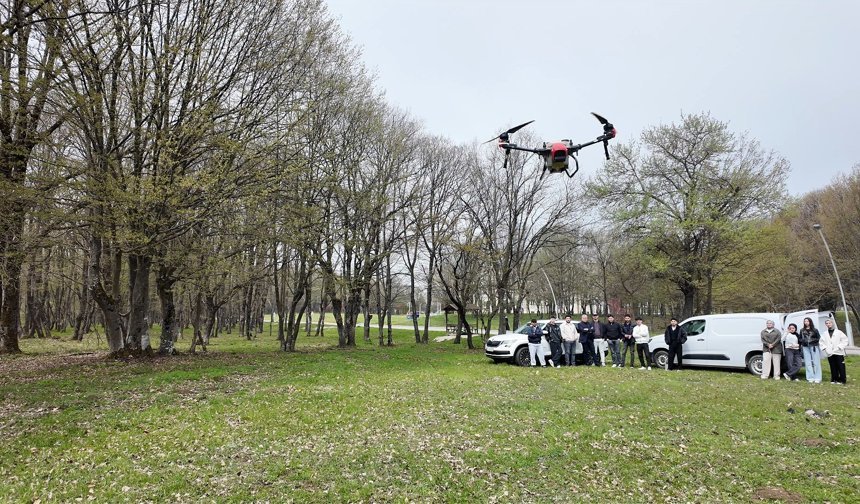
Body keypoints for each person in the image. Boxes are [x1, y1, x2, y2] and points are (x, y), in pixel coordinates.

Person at [822, 319, 848, 384]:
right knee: (833, 366)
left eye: (829, 323)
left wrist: (839, 347)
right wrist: (825, 348)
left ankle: (842, 380)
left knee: (840, 366)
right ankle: (834, 379)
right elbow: (821, 342)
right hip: (830, 353)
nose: (828, 324)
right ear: (826, 325)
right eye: (827, 323)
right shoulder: (824, 333)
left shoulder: (839, 332)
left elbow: (845, 340)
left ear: (832, 323)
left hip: (838, 352)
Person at [799, 317, 822, 383]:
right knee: (808, 362)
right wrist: (803, 341)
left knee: (816, 362)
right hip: (805, 347)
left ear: (810, 322)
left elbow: (819, 338)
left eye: (807, 321)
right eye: (805, 321)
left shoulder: (815, 330)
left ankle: (817, 377)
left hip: (814, 346)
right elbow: (800, 338)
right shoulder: (802, 330)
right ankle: (810, 377)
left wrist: (812, 341)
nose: (806, 322)